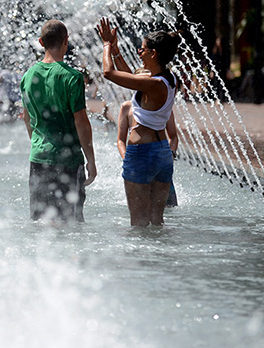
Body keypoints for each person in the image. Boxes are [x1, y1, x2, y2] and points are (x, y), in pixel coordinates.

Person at [98, 17, 181, 226]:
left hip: (141, 153)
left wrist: (107, 45)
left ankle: (139, 258)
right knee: (157, 221)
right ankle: (161, 257)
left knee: (138, 222)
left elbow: (109, 73)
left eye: (142, 50)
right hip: (162, 153)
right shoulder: (167, 80)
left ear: (154, 53)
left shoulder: (153, 83)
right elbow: (130, 75)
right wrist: (116, 49)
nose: (139, 52)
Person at [20, 19, 97, 223]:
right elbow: (81, 121)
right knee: (71, 223)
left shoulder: (28, 76)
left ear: (41, 42)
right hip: (68, 160)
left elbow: (27, 118)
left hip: (38, 158)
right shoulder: (72, 78)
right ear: (66, 41)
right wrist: (91, 159)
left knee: (41, 222)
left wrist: (38, 143)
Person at [116, 91, 179, 207]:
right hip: (137, 160)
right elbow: (120, 140)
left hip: (161, 160)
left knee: (169, 208)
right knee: (139, 209)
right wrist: (127, 158)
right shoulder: (127, 107)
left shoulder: (163, 106)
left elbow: (173, 136)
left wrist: (171, 155)